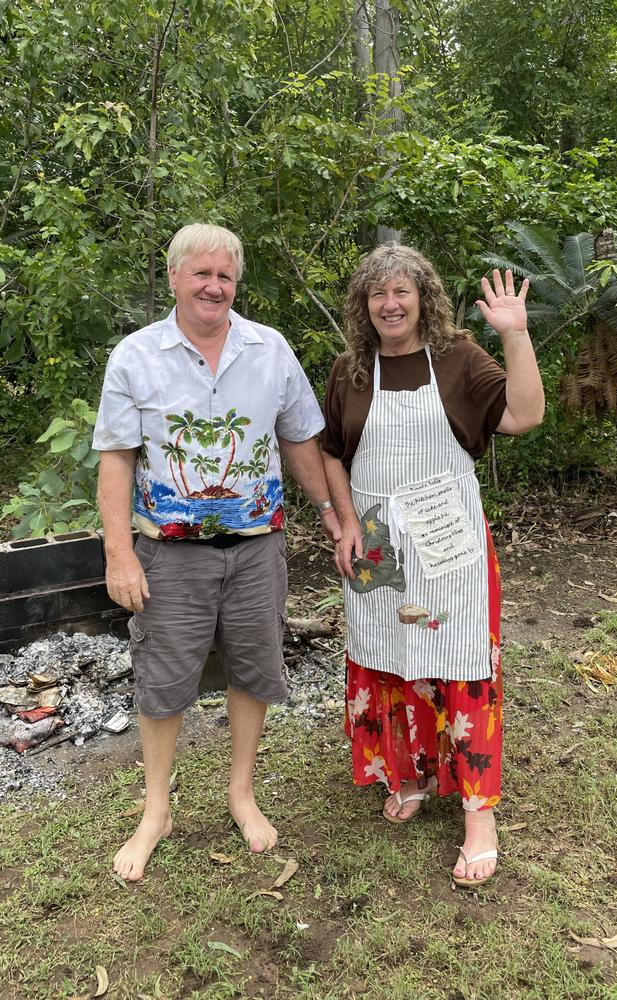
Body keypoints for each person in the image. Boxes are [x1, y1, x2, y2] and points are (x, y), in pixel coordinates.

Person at [93, 223, 340, 881]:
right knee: (163, 680)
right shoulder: (136, 356)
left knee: (253, 668)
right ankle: (155, 811)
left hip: (257, 548)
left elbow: (299, 441)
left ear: (237, 283)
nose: (213, 286)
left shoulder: (270, 350)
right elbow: (116, 459)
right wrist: (119, 553)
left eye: (224, 276)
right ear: (174, 278)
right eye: (200, 274)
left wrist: (329, 511)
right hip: (169, 555)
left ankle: (240, 791)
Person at [321, 245, 544, 887]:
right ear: (365, 306)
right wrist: (344, 523)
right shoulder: (350, 371)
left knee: (461, 659)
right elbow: (332, 451)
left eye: (402, 292)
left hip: (447, 540)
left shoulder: (459, 359)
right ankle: (411, 771)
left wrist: (515, 336)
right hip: (376, 539)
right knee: (387, 657)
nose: (390, 305)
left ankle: (479, 814)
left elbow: (526, 415)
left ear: (423, 298)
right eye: (377, 295)